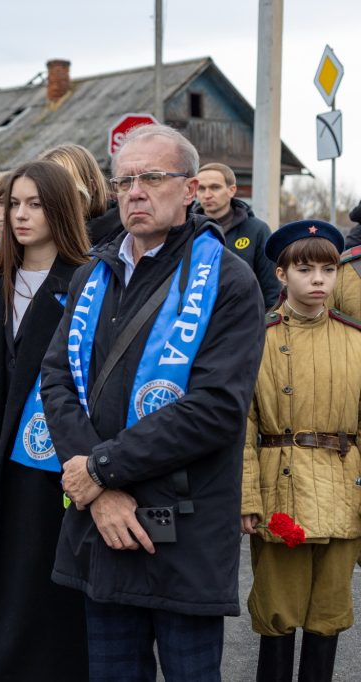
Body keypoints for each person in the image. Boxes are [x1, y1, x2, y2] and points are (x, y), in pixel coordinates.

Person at [41, 124, 266, 681]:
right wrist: (100, 490)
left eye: (152, 178)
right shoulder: (94, 273)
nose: (135, 192)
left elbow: (214, 409)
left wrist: (100, 469)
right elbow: (57, 380)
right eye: (124, 181)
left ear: (189, 190)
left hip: (182, 530)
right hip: (104, 525)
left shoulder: (229, 281)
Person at [0, 161, 90, 681]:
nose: (21, 215)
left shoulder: (85, 281)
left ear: (61, 209)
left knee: (36, 567)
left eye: (35, 204)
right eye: (13, 204)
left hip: (47, 454)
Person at [242, 220, 361, 682]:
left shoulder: (355, 339)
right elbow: (242, 426)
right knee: (277, 611)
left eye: (328, 270)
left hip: (343, 488)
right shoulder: (259, 337)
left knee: (329, 613)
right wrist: (246, 499)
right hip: (281, 488)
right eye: (305, 269)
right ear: (281, 274)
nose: (318, 280)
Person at [193, 162, 280, 308]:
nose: (207, 195)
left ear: (231, 190)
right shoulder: (186, 229)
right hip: (195, 317)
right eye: (201, 188)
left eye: (215, 187)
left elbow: (271, 290)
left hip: (245, 317)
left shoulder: (257, 230)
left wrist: (266, 321)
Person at [39, 143, 121, 247]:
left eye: (62, 190)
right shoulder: (46, 242)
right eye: (44, 193)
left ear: (91, 188)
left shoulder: (126, 238)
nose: (52, 201)